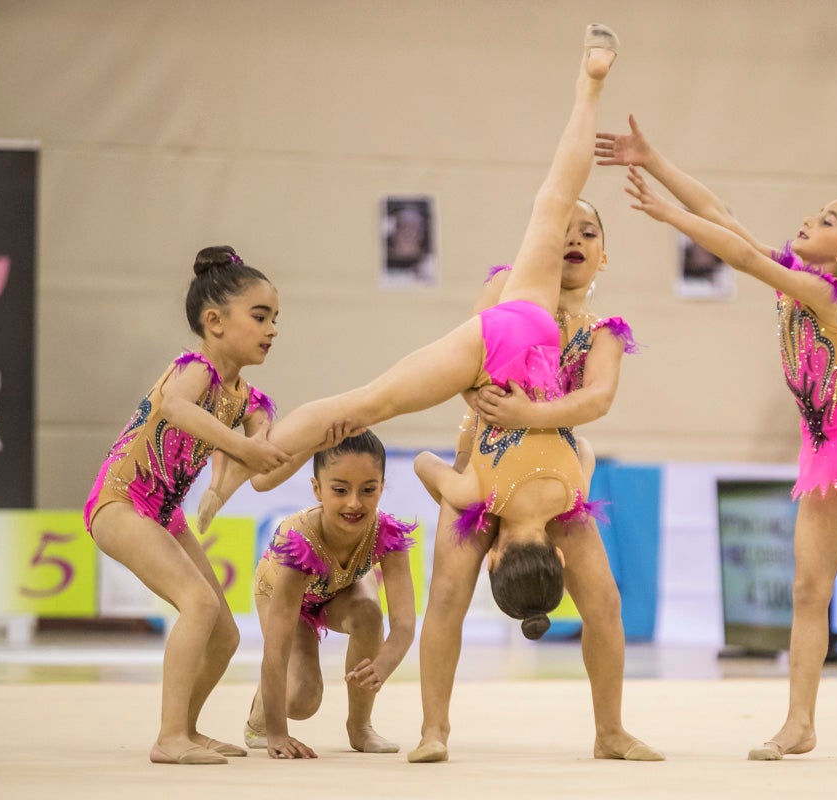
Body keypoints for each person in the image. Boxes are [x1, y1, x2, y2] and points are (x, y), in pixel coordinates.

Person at [202, 24, 623, 646]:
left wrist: (524, 415)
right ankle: (242, 472)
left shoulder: (573, 492)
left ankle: (590, 84)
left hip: (522, 333)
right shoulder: (483, 494)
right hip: (504, 366)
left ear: (553, 560)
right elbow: (426, 464)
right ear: (496, 561)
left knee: (557, 196)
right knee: (366, 404)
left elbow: (580, 446)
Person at [601, 116, 837, 761]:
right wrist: (651, 158)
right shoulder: (792, 270)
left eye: (828, 220)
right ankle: (799, 724)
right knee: (807, 589)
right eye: (818, 212)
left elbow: (736, 251)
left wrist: (667, 218)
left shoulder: (824, 292)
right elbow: (719, 212)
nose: (810, 219)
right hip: (822, 448)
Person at [406, 219, 657, 764]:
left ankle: (609, 731)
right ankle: (433, 729)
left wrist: (529, 413)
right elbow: (468, 357)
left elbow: (597, 401)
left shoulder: (604, 331)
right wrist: (485, 401)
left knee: (605, 602)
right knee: (446, 596)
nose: (574, 240)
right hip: (484, 468)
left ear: (603, 258)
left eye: (590, 232)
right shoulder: (504, 288)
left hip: (551, 485)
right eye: (564, 228)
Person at [82, 245, 292, 765]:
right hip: (120, 501)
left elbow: (261, 458)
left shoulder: (250, 399)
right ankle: (168, 737)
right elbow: (173, 408)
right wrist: (243, 446)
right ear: (214, 321)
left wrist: (234, 478)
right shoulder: (194, 368)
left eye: (276, 319)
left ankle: (188, 729)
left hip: (164, 514)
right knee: (197, 605)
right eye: (260, 316)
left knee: (224, 633)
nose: (272, 329)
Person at [243, 431, 417, 760]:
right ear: (317, 489)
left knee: (368, 612)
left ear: (382, 486)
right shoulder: (300, 541)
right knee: (303, 699)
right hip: (284, 597)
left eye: (368, 489)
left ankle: (361, 726)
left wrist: (382, 665)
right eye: (340, 490)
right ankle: (258, 717)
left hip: (339, 587)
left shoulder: (388, 534)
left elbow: (405, 624)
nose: (354, 502)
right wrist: (277, 733)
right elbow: (276, 651)